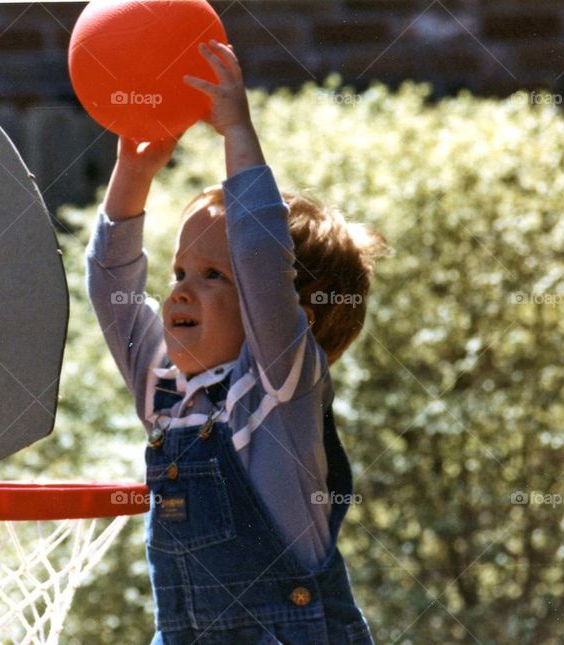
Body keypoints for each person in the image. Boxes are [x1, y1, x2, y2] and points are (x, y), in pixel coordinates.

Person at [86, 40, 389, 644]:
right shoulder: (165, 386)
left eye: (212, 276)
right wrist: (134, 174)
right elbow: (110, 283)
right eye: (179, 274)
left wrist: (235, 130)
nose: (180, 292)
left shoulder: (280, 387)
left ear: (287, 310)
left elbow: (259, 257)